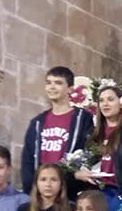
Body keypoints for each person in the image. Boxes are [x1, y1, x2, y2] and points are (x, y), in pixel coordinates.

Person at [20, 66, 94, 194]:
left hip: (68, 190)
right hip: (41, 190)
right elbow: (28, 159)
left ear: (70, 89)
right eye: (48, 83)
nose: (52, 87)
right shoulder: (37, 122)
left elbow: (90, 150)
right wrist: (30, 190)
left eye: (58, 83)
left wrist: (72, 177)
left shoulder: (82, 118)